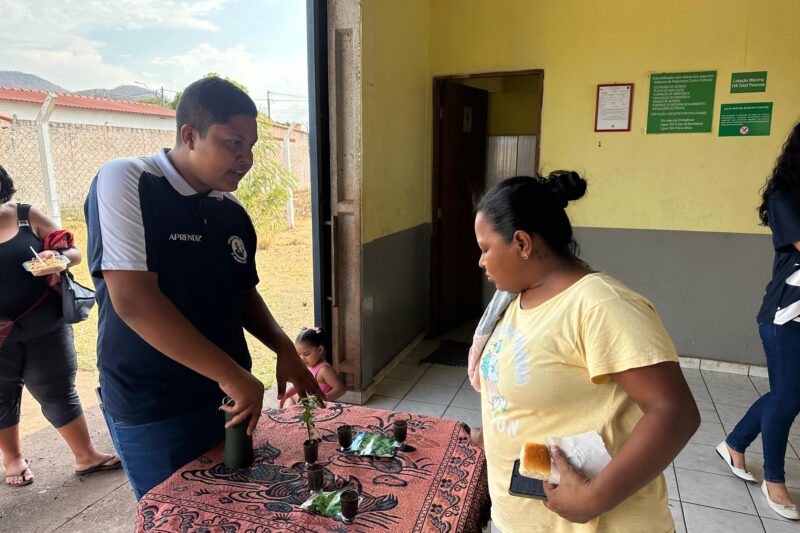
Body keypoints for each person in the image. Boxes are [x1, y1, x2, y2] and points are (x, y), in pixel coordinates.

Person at [83, 77, 324, 500]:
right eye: (233, 142)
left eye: (250, 145)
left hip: (230, 398)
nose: (245, 158)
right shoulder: (128, 181)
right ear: (189, 135)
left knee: (233, 507)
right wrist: (234, 376)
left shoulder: (230, 211)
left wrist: (284, 348)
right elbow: (134, 302)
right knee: (173, 512)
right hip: (155, 403)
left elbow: (242, 293)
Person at [474, 172, 699, 532]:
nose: (481, 262)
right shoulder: (521, 299)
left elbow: (676, 412)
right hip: (524, 518)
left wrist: (595, 498)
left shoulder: (601, 305)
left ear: (522, 243)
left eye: (485, 249)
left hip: (597, 523)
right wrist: (493, 432)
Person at [0, 164, 120, 487]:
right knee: (0, 396)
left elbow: (75, 252)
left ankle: (86, 456)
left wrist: (58, 256)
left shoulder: (25, 215)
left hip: (46, 326)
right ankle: (13, 460)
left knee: (59, 389)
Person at [718, 122, 800, 520]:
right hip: (786, 315)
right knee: (789, 397)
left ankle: (734, 443)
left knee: (787, 392)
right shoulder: (784, 197)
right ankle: (775, 481)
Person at [280, 327, 346, 407]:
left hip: (318, 406)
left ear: (320, 350)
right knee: (289, 397)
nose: (302, 358)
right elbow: (301, 384)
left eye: (306, 354)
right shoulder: (311, 366)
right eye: (299, 354)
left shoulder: (324, 370)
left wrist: (324, 398)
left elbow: (341, 388)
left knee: (291, 400)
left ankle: (289, 416)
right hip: (309, 402)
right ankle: (289, 416)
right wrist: (286, 394)